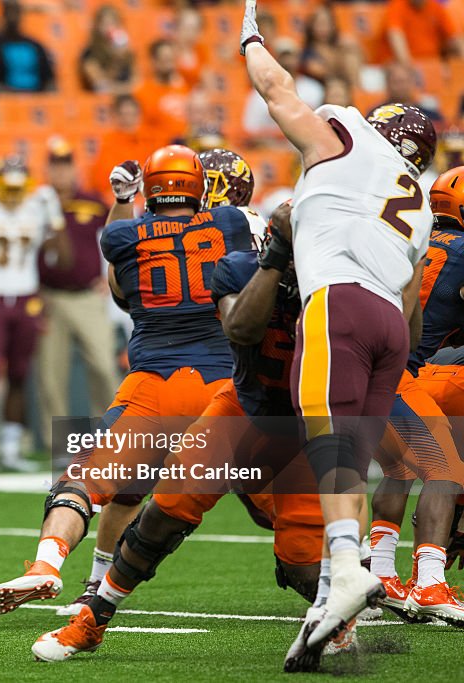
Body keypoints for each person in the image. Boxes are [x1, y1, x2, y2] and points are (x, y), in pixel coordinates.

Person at [29, 204, 328, 663]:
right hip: (241, 407)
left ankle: (344, 605)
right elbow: (241, 328)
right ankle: (95, 615)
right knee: (165, 509)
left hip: (303, 424)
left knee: (303, 558)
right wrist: (274, 266)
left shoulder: (335, 282)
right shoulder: (239, 268)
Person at [240, 1, 437, 670]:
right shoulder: (423, 196)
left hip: (342, 302)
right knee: (351, 456)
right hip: (388, 320)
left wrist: (249, 40)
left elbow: (278, 93)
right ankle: (330, 600)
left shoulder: (350, 133)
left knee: (325, 437)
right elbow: (410, 301)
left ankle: (347, 568)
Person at [0, 147, 252, 618]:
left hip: (152, 386)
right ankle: (354, 576)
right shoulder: (236, 226)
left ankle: (47, 562)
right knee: (297, 504)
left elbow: (122, 287)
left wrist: (123, 202)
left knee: (82, 482)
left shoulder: (126, 236)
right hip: (222, 387)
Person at [367, 166, 464, 626]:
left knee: (400, 467)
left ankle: (381, 573)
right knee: (444, 470)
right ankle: (429, 583)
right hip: (394, 376)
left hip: (360, 373)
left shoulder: (411, 242)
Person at [0, 157, 68, 474]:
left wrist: (56, 215)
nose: (12, 195)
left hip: (26, 298)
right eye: (7, 187)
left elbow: (62, 258)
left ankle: (8, 448)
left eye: (17, 188)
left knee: (20, 374)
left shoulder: (36, 207)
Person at [35, 137, 115, 449]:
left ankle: (109, 438)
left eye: (65, 165)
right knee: (51, 373)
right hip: (49, 296)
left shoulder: (93, 202)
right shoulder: (36, 203)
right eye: (55, 166)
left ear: (74, 168)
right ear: (47, 170)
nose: (60, 173)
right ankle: (57, 444)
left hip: (86, 296)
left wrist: (109, 276)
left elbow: (114, 240)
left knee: (103, 365)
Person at [0, 0, 55, 93]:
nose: (12, 18)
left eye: (16, 13)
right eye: (8, 13)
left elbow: (48, 79)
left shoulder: (35, 46)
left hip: (36, 99)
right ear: (0, 16)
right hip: (6, 98)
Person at [383, 0, 464, 64]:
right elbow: (395, 36)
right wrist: (409, 67)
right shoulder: (397, 6)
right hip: (406, 66)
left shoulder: (435, 7)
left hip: (434, 64)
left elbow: (454, 38)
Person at [78, 4, 135, 95]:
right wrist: (117, 61)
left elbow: (136, 82)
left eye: (113, 23)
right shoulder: (89, 52)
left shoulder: (127, 51)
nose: (109, 28)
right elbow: (99, 83)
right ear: (97, 26)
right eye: (105, 23)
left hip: (126, 98)